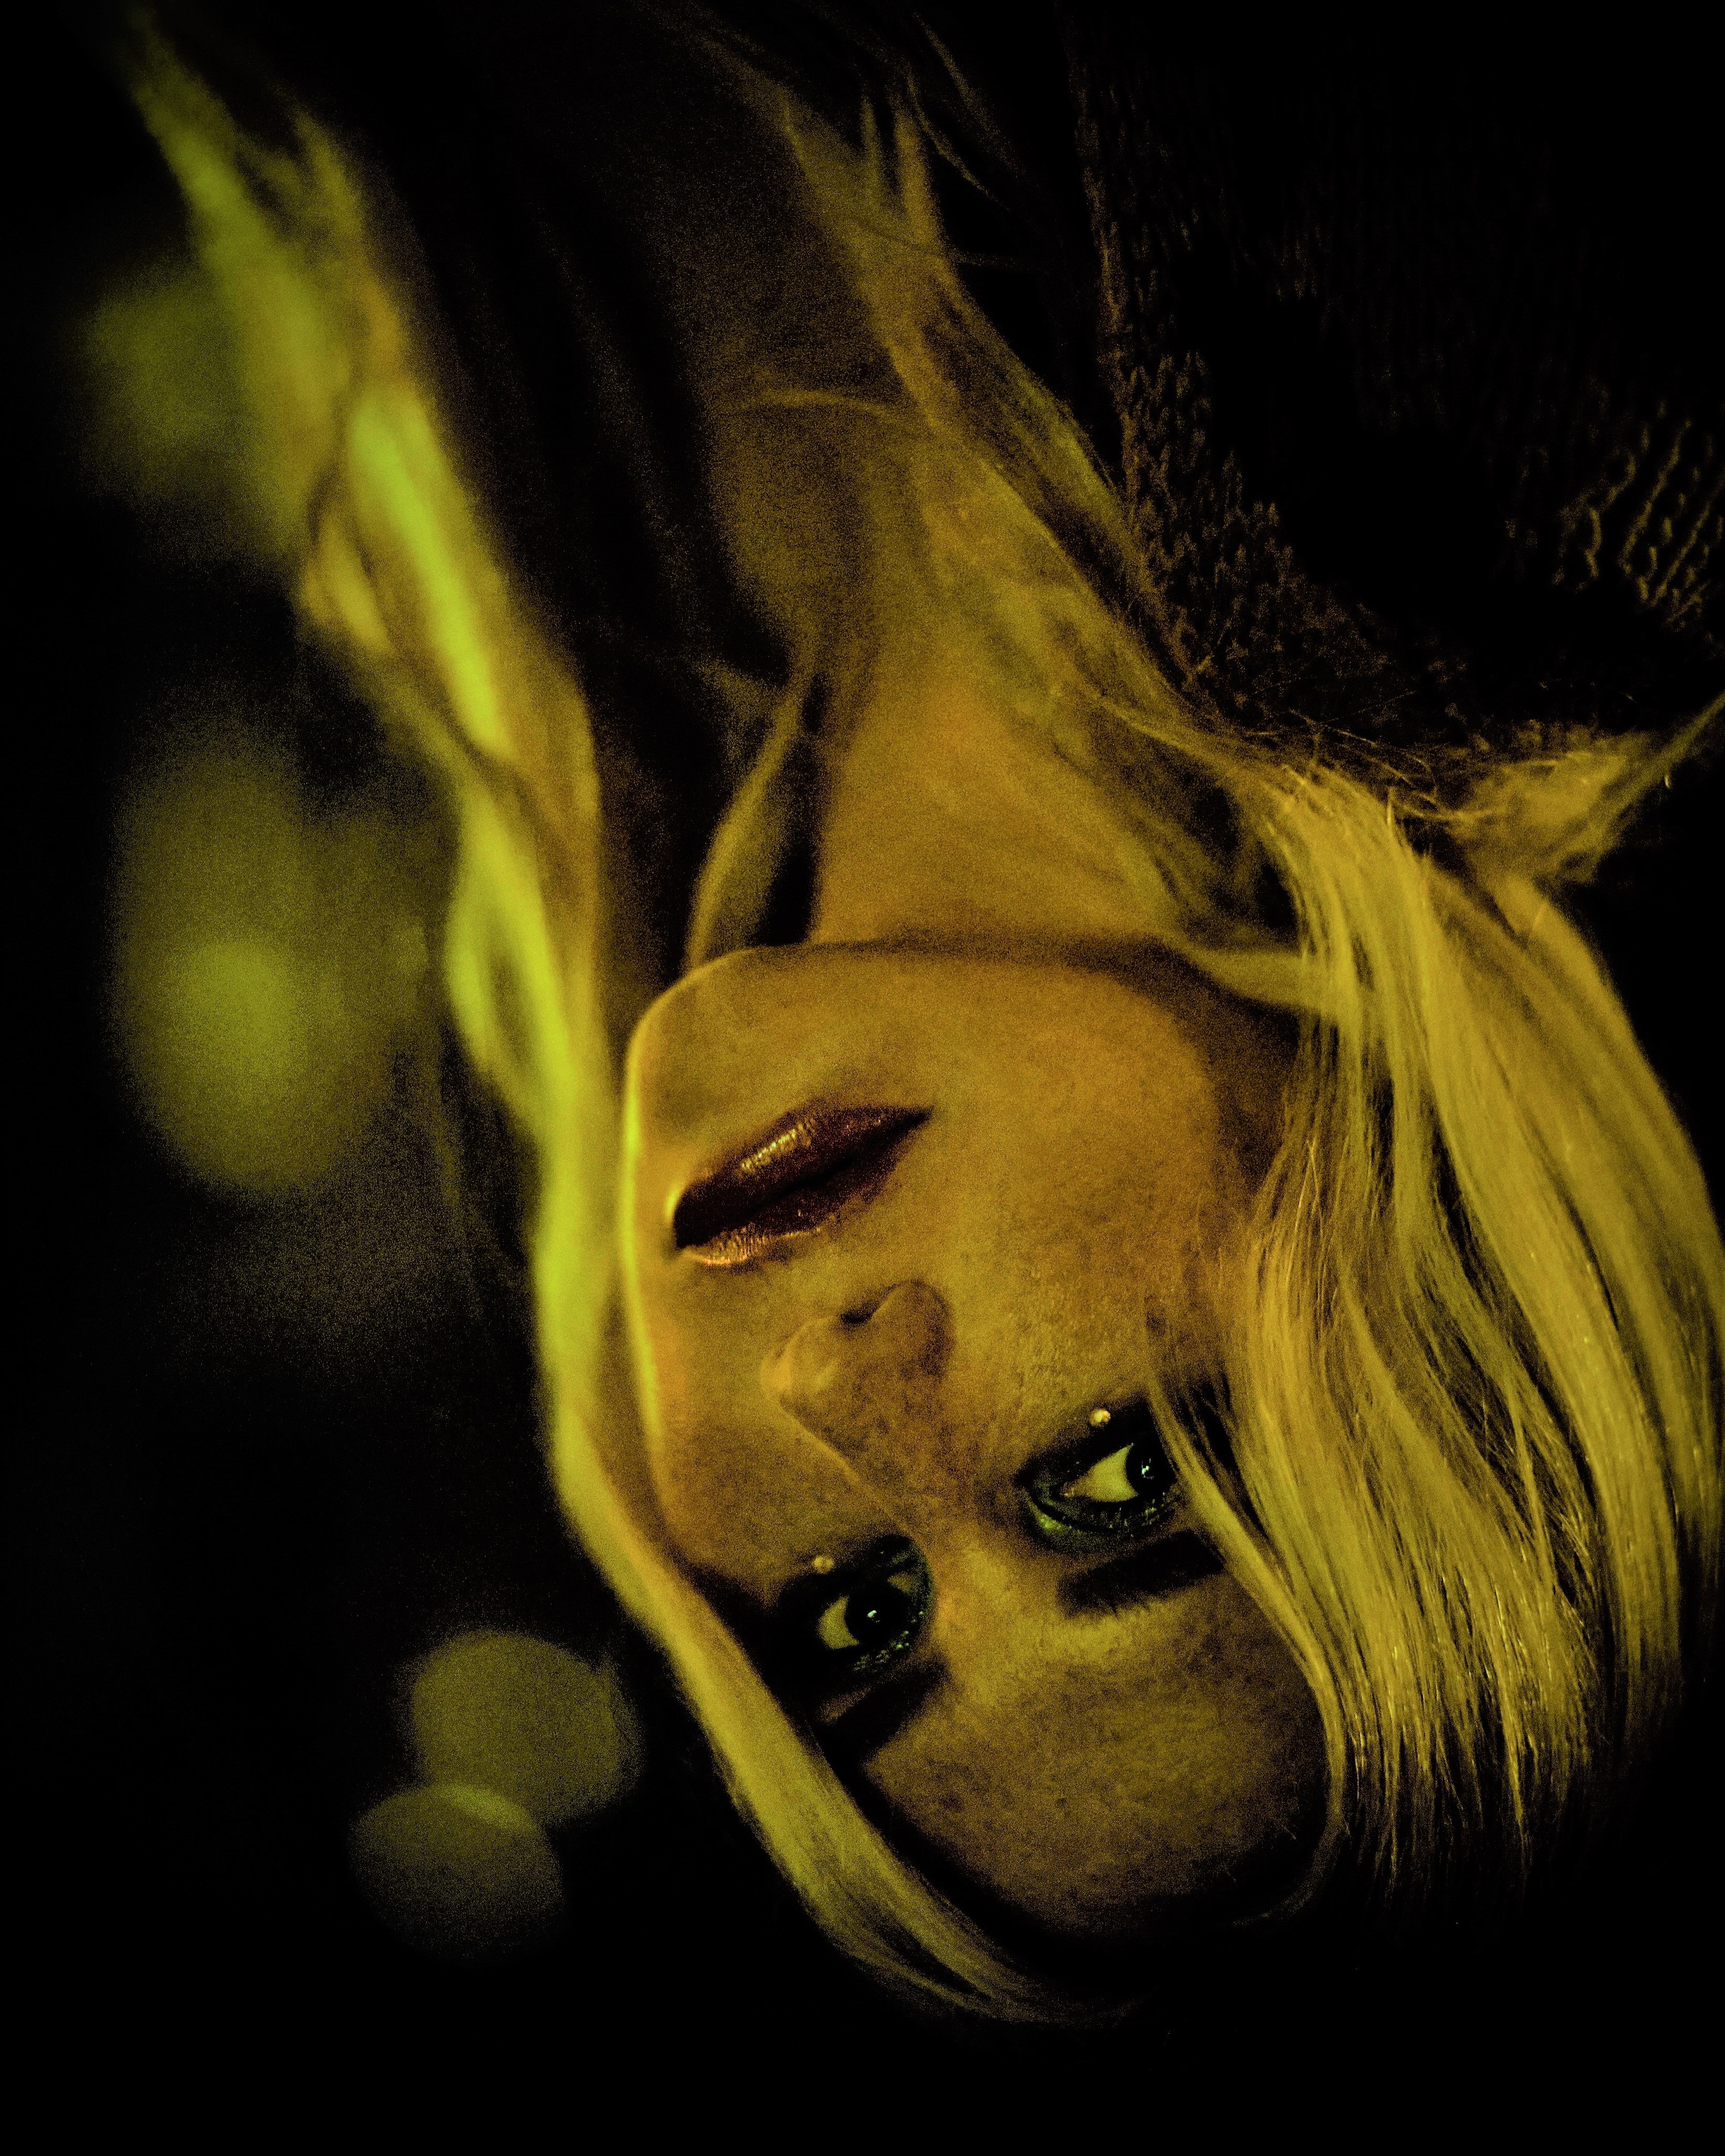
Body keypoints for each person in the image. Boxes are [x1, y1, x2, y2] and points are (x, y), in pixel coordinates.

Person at [89, 0, 1724, 2020]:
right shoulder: (1507, 478)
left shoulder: (505, 626)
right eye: (1113, 1485)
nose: (839, 1401)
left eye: (857, 1618)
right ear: (1433, 1287)